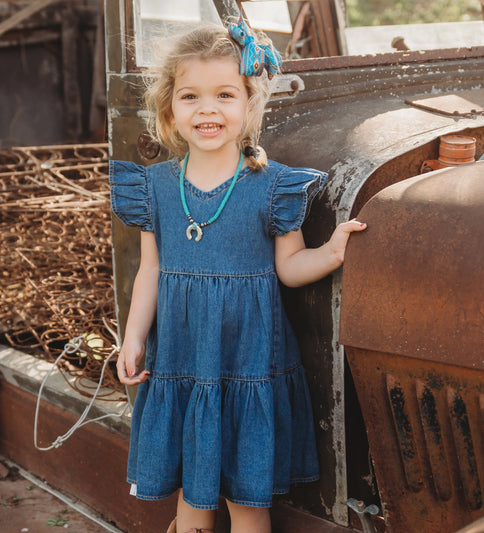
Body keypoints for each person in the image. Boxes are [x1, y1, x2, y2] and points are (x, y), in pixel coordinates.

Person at [110, 18, 366, 533]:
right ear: (169, 110)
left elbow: (290, 269)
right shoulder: (155, 187)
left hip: (248, 359)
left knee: (248, 501)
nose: (208, 109)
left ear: (250, 106)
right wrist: (133, 339)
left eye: (225, 94)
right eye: (190, 97)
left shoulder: (271, 187)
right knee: (191, 496)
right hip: (183, 357)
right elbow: (150, 271)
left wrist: (333, 253)